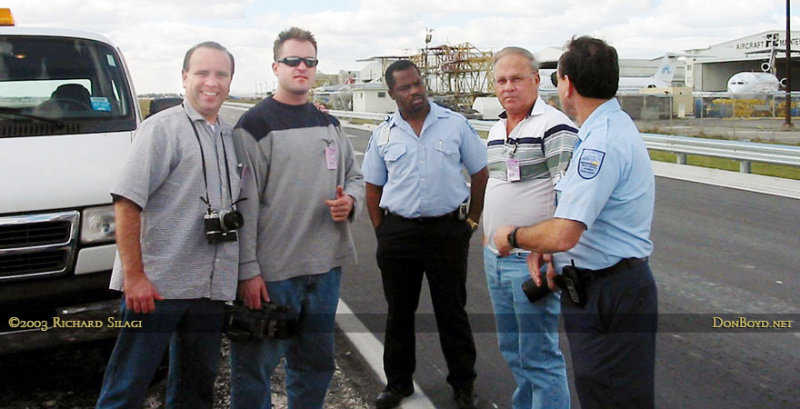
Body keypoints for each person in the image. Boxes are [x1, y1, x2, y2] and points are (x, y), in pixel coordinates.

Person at [494, 36, 658, 409]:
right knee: (605, 387)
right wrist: (547, 250)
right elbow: (584, 219)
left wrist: (515, 237)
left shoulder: (599, 143)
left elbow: (567, 231)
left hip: (608, 291)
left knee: (609, 393)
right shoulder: (606, 129)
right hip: (604, 285)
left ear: (567, 84)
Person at [95, 41, 238, 409]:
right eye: (202, 73)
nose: (212, 82)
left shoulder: (228, 134)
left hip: (209, 286)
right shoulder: (162, 130)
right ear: (184, 77)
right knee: (127, 386)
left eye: (221, 74)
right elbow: (127, 203)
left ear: (231, 80)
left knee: (195, 389)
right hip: (158, 286)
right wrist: (135, 277)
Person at [229, 27, 364, 409]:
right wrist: (248, 271)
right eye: (292, 61)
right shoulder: (254, 127)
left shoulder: (329, 124)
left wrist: (350, 203)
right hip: (274, 275)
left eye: (309, 61)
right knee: (255, 367)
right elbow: (244, 204)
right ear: (276, 66)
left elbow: (354, 177)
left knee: (315, 364)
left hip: (324, 270)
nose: (301, 67)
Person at [362, 59, 489, 409]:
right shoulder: (384, 134)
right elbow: (372, 188)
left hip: (447, 232)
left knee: (453, 312)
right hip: (399, 234)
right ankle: (398, 384)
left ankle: (464, 385)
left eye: (417, 83)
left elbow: (480, 173)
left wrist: (472, 220)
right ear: (392, 94)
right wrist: (382, 232)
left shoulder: (455, 125)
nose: (414, 91)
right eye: (404, 87)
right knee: (398, 314)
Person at [482, 47, 577, 409]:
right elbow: (498, 186)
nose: (509, 87)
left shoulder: (553, 126)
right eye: (501, 80)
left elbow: (568, 195)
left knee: (539, 356)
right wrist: (486, 237)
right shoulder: (495, 129)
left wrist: (555, 254)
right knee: (514, 352)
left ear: (536, 81)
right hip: (496, 258)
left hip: (531, 261)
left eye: (517, 78)